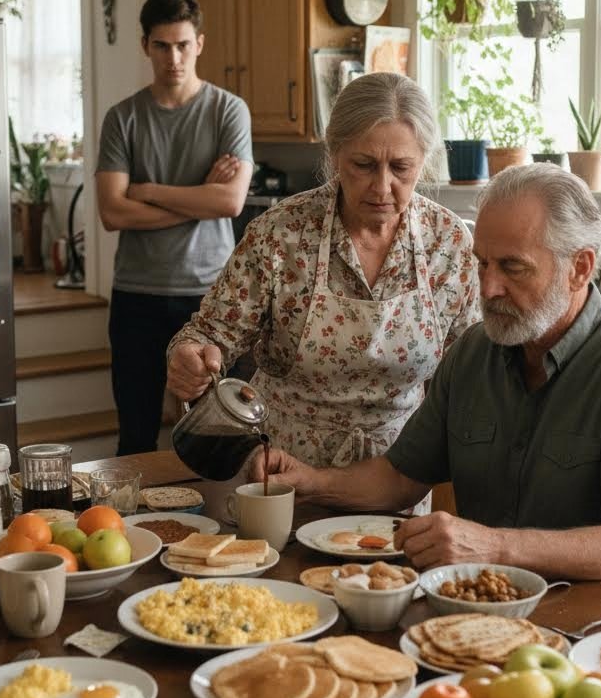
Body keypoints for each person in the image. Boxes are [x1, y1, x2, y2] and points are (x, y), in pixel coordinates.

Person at [257, 164, 601, 591]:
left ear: (579, 267)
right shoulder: (473, 352)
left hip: (600, 632)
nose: (488, 289)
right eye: (482, 264)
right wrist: (312, 482)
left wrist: (495, 547)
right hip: (479, 610)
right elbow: (399, 478)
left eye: (513, 267)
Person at [168, 73, 480, 469]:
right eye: (364, 165)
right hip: (285, 468)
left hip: (401, 473)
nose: (382, 187)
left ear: (424, 160)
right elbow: (210, 333)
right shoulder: (281, 233)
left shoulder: (448, 243)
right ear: (334, 154)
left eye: (401, 167)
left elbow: (470, 369)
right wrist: (189, 356)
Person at [95, 0, 253, 455]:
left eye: (183, 45)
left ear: (200, 43)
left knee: (217, 434)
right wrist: (197, 194)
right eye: (162, 46)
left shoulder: (229, 110)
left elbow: (229, 202)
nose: (174, 58)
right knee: (137, 434)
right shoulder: (122, 118)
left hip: (211, 298)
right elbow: (111, 212)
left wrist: (148, 190)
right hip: (137, 295)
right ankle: (135, 528)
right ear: (146, 46)